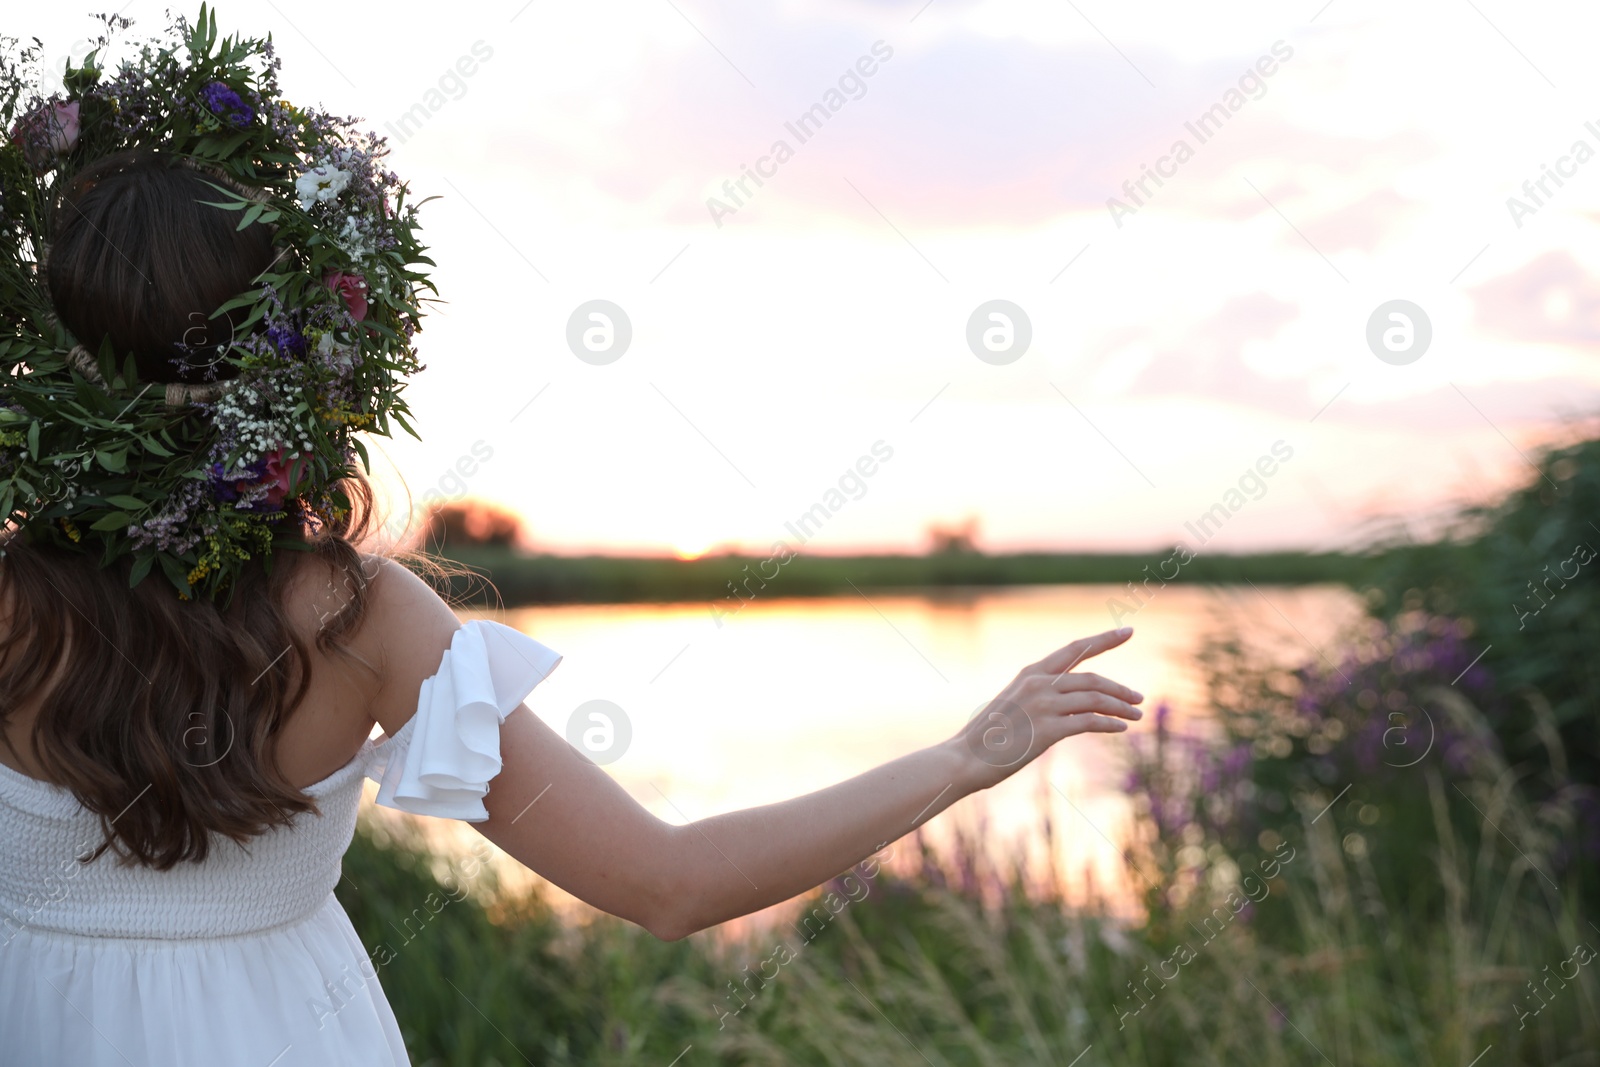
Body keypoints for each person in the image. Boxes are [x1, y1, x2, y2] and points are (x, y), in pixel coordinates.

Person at [0, 13, 1144, 1066]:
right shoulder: (364, 620)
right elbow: (669, 883)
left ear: (53, 352)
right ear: (300, 353)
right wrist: (961, 756)